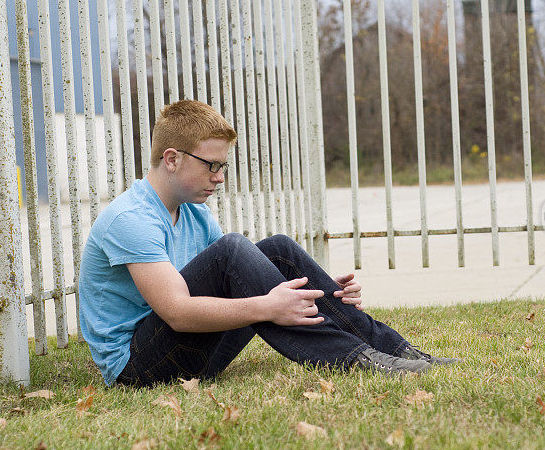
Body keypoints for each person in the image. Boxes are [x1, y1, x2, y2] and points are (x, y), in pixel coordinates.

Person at [78, 100, 456, 387]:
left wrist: (324, 293)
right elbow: (177, 312)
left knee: (277, 249)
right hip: (138, 366)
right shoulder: (130, 219)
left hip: (192, 355)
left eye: (223, 166)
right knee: (233, 249)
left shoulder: (193, 212)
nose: (220, 177)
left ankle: (394, 349)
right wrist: (268, 306)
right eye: (212, 165)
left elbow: (233, 280)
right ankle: (357, 359)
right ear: (172, 159)